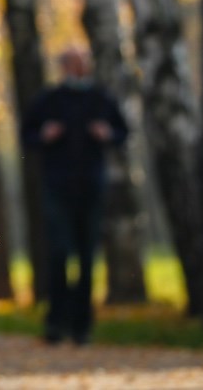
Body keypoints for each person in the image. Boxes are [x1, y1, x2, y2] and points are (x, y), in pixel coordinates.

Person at [22, 47, 128, 345]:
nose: (76, 70)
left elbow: (123, 132)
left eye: (80, 64)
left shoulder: (101, 99)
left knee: (86, 257)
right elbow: (27, 135)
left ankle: (82, 326)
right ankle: (56, 322)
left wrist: (108, 134)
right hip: (57, 187)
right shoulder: (49, 100)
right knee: (58, 254)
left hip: (92, 188)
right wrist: (44, 136)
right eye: (70, 64)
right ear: (62, 67)